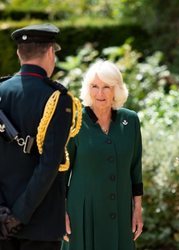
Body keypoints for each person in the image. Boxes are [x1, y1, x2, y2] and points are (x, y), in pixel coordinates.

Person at [0, 23, 81, 250]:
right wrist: (19, 216)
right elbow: (49, 164)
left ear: (18, 53)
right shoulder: (57, 98)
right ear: (49, 52)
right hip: (39, 224)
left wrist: (3, 214)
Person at [62, 60, 143, 250]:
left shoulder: (130, 120)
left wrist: (137, 209)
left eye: (106, 87)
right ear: (87, 89)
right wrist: (60, 211)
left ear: (117, 89)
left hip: (121, 209)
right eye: (94, 86)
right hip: (82, 213)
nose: (100, 93)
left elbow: (135, 168)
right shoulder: (75, 120)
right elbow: (61, 172)